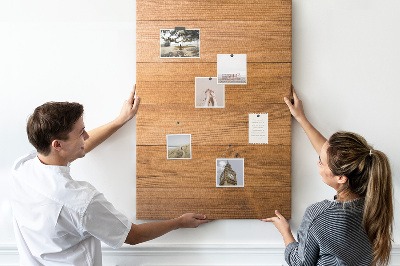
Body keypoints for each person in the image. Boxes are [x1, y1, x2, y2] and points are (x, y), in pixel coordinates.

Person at [10, 85, 211, 265]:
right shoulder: (80, 201)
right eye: (81, 132)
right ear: (57, 144)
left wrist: (120, 120)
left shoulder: (22, 168)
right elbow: (133, 235)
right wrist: (180, 222)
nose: (86, 136)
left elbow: (77, 149)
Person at [261, 86, 393, 265]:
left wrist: (285, 232)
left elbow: (301, 262)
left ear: (341, 177)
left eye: (321, 162)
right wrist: (301, 118)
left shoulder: (319, 215)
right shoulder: (374, 204)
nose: (317, 163)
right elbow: (333, 157)